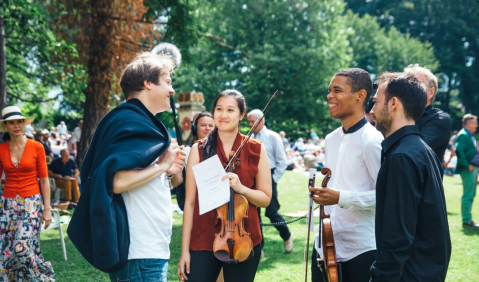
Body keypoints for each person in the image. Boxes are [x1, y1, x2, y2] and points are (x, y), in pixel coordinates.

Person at [67, 52, 186, 282]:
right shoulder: (132, 121)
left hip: (147, 249)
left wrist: (168, 170)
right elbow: (117, 181)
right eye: (168, 82)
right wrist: (162, 165)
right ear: (148, 83)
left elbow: (132, 174)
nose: (172, 90)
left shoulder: (134, 120)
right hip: (140, 252)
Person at [178, 90, 272, 282]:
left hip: (243, 239)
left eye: (230, 110)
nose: (223, 115)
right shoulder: (199, 149)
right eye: (219, 109)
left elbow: (265, 199)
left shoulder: (256, 149)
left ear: (241, 114)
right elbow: (189, 203)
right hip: (202, 238)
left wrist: (242, 189)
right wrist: (184, 251)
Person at [369, 72, 451, 281]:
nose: (371, 110)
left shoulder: (402, 156)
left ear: (393, 103)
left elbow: (397, 237)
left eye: (376, 102)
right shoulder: (420, 149)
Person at [308, 68, 383, 282]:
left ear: (360, 96)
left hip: (360, 249)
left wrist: (340, 197)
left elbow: (385, 197)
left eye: (337, 90)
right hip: (324, 243)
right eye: (329, 90)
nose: (329, 96)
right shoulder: (331, 138)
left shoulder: (372, 141)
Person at [0, 106, 55, 281]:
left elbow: (44, 180)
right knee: (6, 252)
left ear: (23, 123)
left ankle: (41, 276)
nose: (16, 125)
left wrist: (47, 209)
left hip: (31, 203)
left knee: (21, 248)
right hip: (7, 205)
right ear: (6, 126)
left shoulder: (37, 147)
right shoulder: (1, 149)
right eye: (11, 122)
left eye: (19, 121)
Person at [247, 109, 292, 254]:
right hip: (253, 175)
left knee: (272, 212)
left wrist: (272, 180)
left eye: (253, 121)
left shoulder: (273, 136)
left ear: (262, 120)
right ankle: (259, 246)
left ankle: (287, 236)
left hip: (269, 175)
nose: (250, 124)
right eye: (249, 122)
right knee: (253, 213)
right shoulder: (248, 137)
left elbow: (282, 161)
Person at [404, 64, 451, 162]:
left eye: (414, 83)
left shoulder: (440, 119)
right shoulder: (396, 113)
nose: (407, 88)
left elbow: (413, 149)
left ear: (430, 92)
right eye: (405, 83)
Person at [454, 114, 479, 227]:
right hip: (468, 168)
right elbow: (458, 150)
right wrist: (467, 165)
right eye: (475, 123)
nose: (477, 125)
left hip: (473, 167)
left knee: (471, 194)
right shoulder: (463, 134)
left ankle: (468, 218)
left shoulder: (469, 135)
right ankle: (466, 220)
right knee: (468, 195)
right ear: (469, 123)